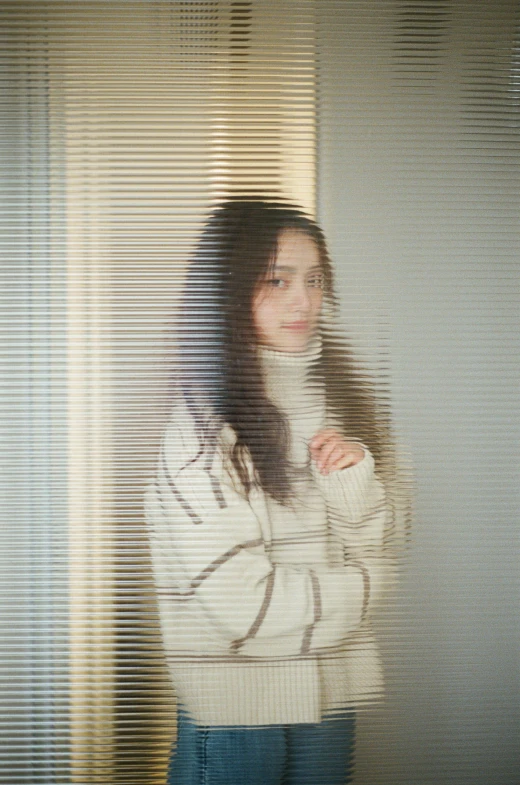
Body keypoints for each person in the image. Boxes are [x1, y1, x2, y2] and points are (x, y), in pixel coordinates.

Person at [145, 198, 403, 785]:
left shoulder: (348, 402)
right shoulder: (201, 428)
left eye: (314, 280)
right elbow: (244, 608)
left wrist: (354, 480)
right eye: (276, 280)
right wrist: (367, 586)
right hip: (239, 714)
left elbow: (384, 539)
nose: (303, 301)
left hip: (331, 700)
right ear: (228, 293)